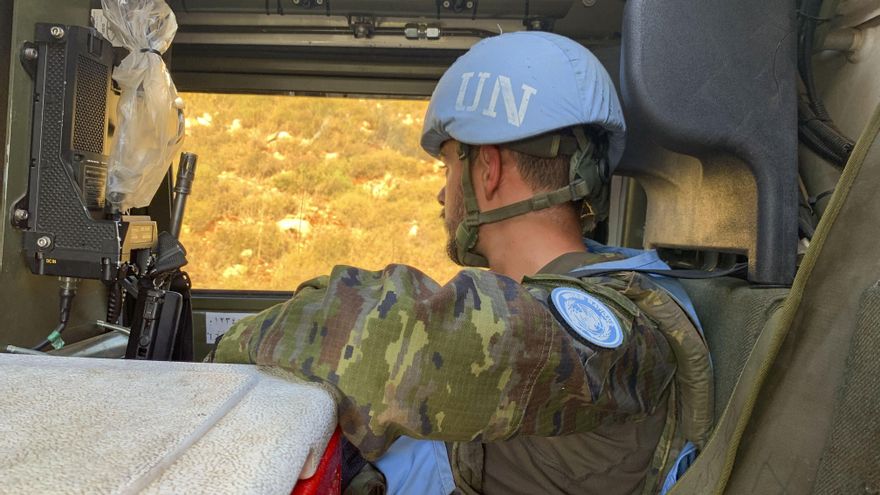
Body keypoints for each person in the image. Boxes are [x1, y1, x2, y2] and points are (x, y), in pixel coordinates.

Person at [212, 31, 711, 495]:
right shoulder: (563, 307)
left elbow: (376, 334)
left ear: (488, 169)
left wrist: (217, 359)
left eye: (451, 163)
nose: (441, 189)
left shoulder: (612, 335)